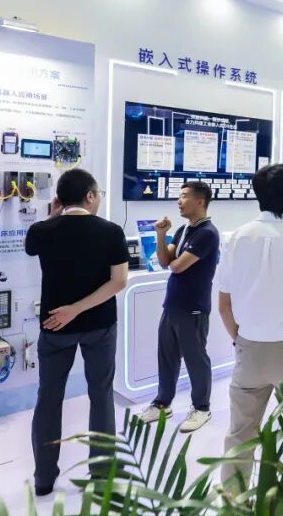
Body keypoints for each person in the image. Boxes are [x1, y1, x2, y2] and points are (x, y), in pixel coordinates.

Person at [217, 163, 283, 491]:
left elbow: (224, 303)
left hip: (249, 348)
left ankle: (234, 506)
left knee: (240, 435)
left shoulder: (235, 238)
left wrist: (240, 340)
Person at [25, 169, 128, 497]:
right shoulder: (111, 232)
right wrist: (79, 309)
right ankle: (102, 471)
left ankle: (44, 477)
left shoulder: (40, 231)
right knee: (101, 394)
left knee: (49, 397)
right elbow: (119, 282)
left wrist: (54, 214)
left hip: (54, 326)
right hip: (100, 325)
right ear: (90, 196)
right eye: (98, 194)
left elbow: (33, 245)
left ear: (59, 199)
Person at [137, 181, 220, 433]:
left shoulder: (207, 233)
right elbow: (164, 261)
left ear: (200, 201)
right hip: (172, 305)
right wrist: (161, 235)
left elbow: (177, 266)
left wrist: (172, 259)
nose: (179, 201)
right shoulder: (184, 229)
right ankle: (162, 403)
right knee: (167, 357)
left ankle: (202, 408)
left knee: (196, 359)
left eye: (184, 196)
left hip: (193, 307)